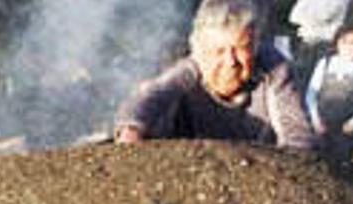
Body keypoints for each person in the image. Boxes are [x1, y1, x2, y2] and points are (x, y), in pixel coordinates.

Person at [114, 0, 315, 151]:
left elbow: (297, 135)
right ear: (200, 51)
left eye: (240, 48)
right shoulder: (192, 68)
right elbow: (155, 94)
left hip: (260, 166)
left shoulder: (274, 69)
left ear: (254, 46)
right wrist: (131, 128)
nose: (230, 61)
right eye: (219, 51)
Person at [305, 26, 353, 164]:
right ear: (337, 43)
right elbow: (311, 94)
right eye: (344, 42)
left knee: (342, 164)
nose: (348, 47)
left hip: (347, 129)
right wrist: (316, 120)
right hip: (321, 126)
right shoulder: (325, 63)